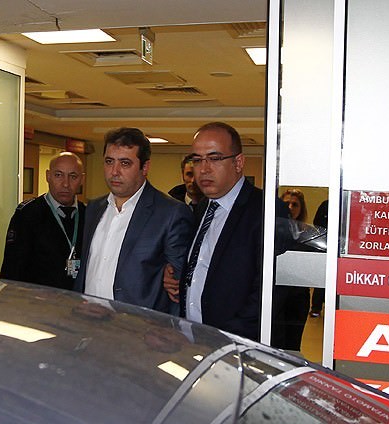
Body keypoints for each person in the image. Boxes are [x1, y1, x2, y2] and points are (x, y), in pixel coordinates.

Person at [166, 122, 288, 341]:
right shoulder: (203, 207)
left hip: (234, 344)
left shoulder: (266, 210)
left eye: (214, 158)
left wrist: (226, 339)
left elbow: (270, 291)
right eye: (197, 160)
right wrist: (176, 274)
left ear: (238, 163)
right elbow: (203, 265)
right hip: (192, 339)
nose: (203, 169)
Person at [74, 127, 194, 314]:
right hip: (88, 320)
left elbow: (178, 286)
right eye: (109, 162)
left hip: (139, 325)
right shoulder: (93, 208)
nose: (114, 171)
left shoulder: (170, 213)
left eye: (125, 163)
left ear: (144, 167)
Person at [0, 152, 85, 290]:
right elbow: (12, 271)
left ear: (81, 179)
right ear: (48, 176)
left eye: (73, 176)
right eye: (58, 175)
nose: (66, 184)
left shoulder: (88, 215)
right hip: (37, 300)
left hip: (78, 300)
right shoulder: (28, 214)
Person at [276, 188, 311, 351]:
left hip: (298, 297)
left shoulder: (307, 234)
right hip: (275, 296)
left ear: (301, 208)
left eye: (295, 204)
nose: (290, 207)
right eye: (286, 204)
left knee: (293, 344)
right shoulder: (271, 230)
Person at [310, 199, 329, 317]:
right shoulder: (326, 205)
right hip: (324, 243)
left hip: (332, 244)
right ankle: (316, 307)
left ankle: (317, 308)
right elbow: (317, 222)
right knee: (321, 278)